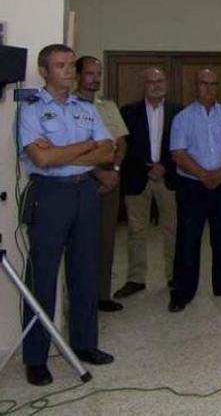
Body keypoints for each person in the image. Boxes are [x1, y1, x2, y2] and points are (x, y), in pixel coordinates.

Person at [18, 44, 116, 386]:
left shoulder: (86, 109)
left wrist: (64, 153)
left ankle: (85, 345)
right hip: (50, 196)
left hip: (85, 193)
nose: (69, 71)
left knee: (85, 273)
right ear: (44, 71)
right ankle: (35, 358)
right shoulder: (31, 108)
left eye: (71, 65)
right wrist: (85, 148)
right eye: (60, 65)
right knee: (41, 278)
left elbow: (108, 151)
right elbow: (42, 160)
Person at [168, 69, 221, 312]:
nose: (209, 88)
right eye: (204, 83)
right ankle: (182, 292)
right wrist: (203, 175)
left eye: (213, 84)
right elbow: (178, 153)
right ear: (196, 86)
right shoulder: (182, 118)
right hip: (192, 186)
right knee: (188, 240)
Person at [115, 68, 181, 299]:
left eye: (160, 81)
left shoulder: (178, 112)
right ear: (143, 85)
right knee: (136, 231)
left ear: (166, 83)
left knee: (172, 229)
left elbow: (183, 146)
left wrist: (164, 165)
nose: (156, 85)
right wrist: (147, 167)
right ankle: (136, 279)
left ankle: (175, 276)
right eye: (151, 82)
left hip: (169, 177)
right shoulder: (128, 112)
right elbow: (123, 147)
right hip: (137, 178)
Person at [74, 56, 129, 313]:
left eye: (99, 74)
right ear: (78, 75)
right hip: (82, 177)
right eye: (89, 74)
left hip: (111, 176)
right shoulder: (69, 105)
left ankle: (101, 295)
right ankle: (77, 297)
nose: (95, 79)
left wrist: (115, 170)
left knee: (106, 240)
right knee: (79, 242)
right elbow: (72, 152)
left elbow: (121, 143)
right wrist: (99, 173)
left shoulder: (107, 106)